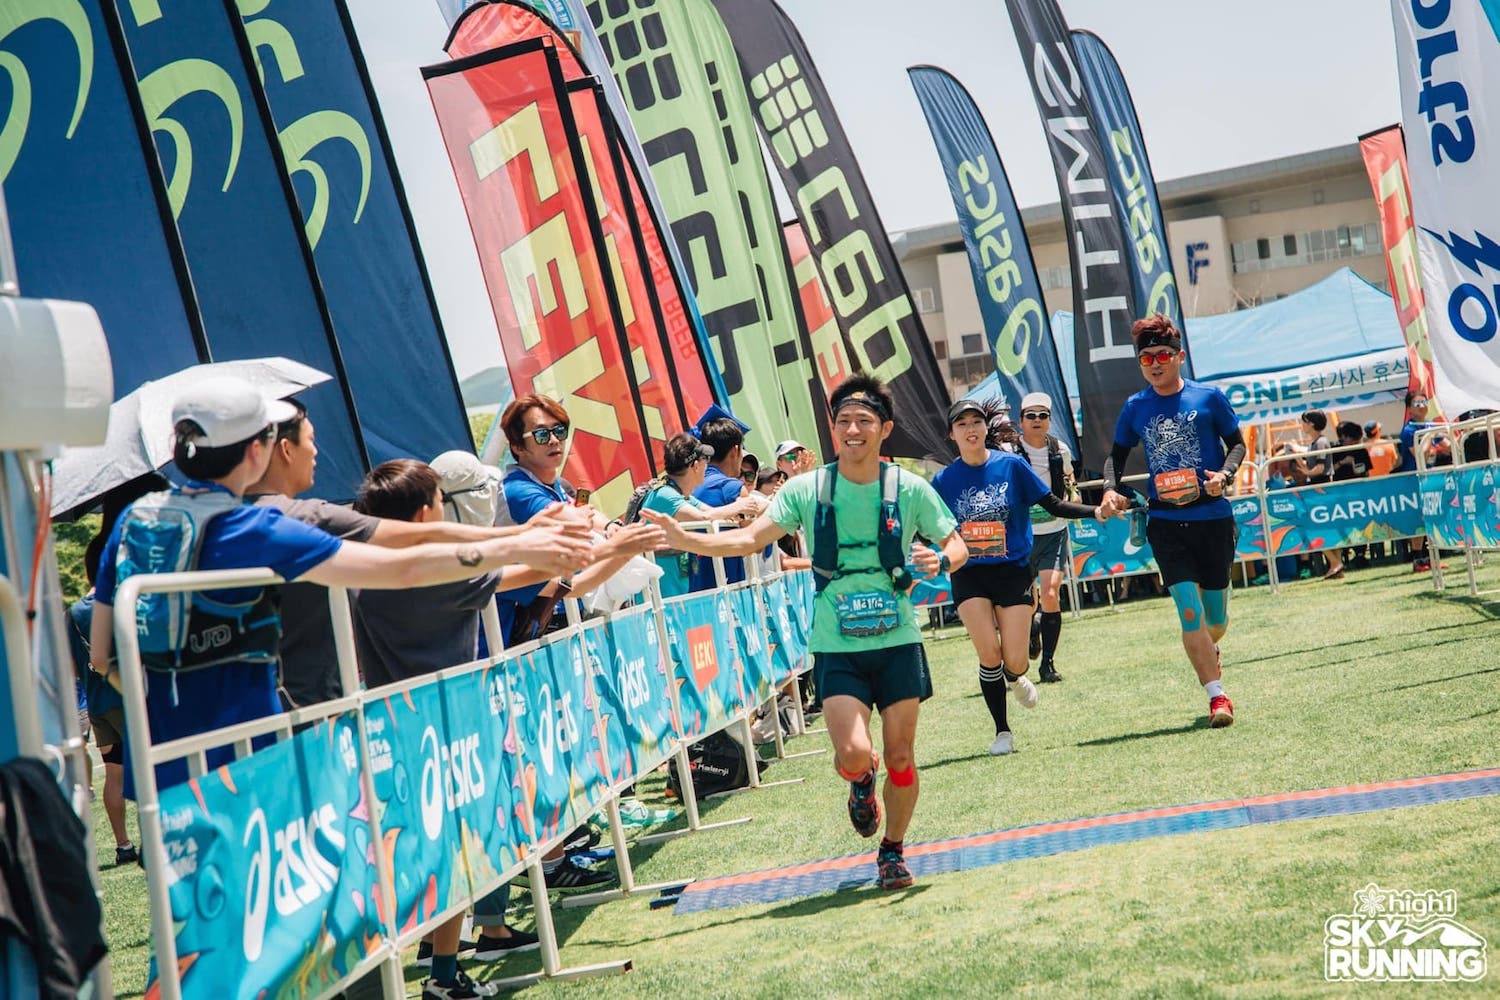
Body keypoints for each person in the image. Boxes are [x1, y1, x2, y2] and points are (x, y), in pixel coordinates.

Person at [88, 377, 592, 801]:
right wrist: (518, 546)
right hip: (259, 760)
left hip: (165, 763)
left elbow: (102, 655)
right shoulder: (257, 527)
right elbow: (401, 567)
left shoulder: (136, 521)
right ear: (258, 450)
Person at [643, 374, 968, 890]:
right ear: (833, 429)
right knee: (855, 753)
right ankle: (861, 779)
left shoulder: (908, 488)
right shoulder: (805, 489)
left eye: (864, 421)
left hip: (898, 641)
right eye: (844, 421)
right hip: (836, 644)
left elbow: (957, 544)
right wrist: (684, 538)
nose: (853, 430)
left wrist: (940, 560)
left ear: (884, 429)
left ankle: (892, 850)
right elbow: (749, 540)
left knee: (902, 757)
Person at [244, 401, 572, 711]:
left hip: (301, 707)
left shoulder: (233, 521)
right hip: (329, 710)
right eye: (311, 439)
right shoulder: (306, 518)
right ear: (285, 449)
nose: (316, 450)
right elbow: (424, 545)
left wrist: (523, 538)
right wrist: (526, 540)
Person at [933, 399, 1105, 755]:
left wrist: (1096, 511)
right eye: (961, 424)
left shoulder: (1011, 466)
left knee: (1014, 660)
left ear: (985, 428)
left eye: (976, 422)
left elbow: (1053, 504)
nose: (970, 429)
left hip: (1013, 571)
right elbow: (927, 526)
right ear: (951, 434)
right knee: (988, 654)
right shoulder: (943, 480)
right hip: (969, 575)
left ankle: (1015, 675)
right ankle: (1002, 732)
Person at [1100, 316, 1247, 729]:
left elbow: (1237, 445)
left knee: (1215, 621)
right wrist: (1110, 489)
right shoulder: (1135, 406)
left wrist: (1224, 476)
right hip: (1165, 521)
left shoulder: (1209, 398)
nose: (1155, 364)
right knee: (1190, 615)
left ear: (1180, 356)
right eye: (1146, 358)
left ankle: (1209, 651)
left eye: (1163, 356)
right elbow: (1115, 457)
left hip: (1212, 518)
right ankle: (1217, 696)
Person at [639, 433, 765, 597]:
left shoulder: (680, 494)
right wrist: (738, 506)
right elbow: (703, 518)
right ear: (696, 465)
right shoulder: (665, 495)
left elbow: (710, 512)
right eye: (705, 459)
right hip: (659, 598)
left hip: (675, 594)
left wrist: (735, 511)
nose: (708, 465)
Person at [1015, 392, 1077, 684]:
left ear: (1050, 420)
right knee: (1026, 601)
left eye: (1043, 415)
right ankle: (1032, 627)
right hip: (1021, 536)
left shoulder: (1059, 449)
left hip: (1054, 531)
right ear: (1021, 421)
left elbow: (1070, 478)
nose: (1037, 420)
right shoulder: (1010, 451)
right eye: (1031, 416)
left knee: (1051, 593)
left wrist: (1072, 496)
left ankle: (1048, 664)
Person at [690, 415, 755, 590]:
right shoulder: (734, 488)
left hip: (694, 592)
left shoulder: (688, 485)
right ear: (735, 451)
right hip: (728, 590)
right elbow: (756, 544)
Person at [1295, 410, 1333, 486]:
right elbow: (1310, 464)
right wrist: (1294, 452)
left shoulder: (1321, 442)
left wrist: (1307, 472)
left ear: (1312, 423)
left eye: (1304, 422)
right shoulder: (1313, 443)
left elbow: (1320, 468)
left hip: (1323, 483)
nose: (1302, 425)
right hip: (1316, 482)